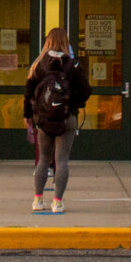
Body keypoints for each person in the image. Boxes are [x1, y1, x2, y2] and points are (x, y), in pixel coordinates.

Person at [22, 26, 90, 214]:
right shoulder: (73, 64)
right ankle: (57, 202)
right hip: (67, 118)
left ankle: (37, 199)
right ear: (65, 42)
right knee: (62, 161)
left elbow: (28, 92)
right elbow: (86, 91)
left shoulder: (39, 64)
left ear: (48, 41)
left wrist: (28, 115)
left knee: (43, 159)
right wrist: (73, 104)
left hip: (43, 120)